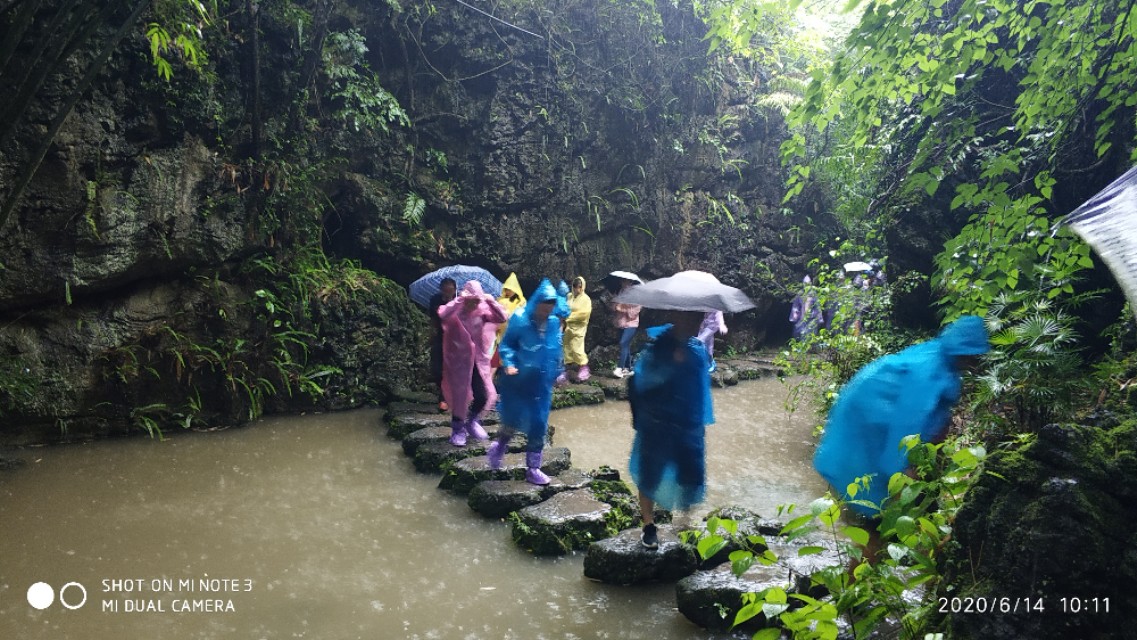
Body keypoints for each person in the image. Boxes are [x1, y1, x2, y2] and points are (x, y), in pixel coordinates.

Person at [812, 315, 989, 566]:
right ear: (963, 351)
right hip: (871, 439)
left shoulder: (940, 359)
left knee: (895, 521)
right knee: (877, 524)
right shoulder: (929, 372)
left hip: (868, 430)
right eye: (973, 356)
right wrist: (901, 473)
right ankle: (857, 596)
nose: (974, 363)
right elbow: (908, 423)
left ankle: (868, 585)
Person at [627, 312, 714, 549]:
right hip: (657, 426)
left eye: (700, 320)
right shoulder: (657, 349)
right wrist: (667, 366)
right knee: (650, 477)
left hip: (688, 427)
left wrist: (700, 426)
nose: (697, 324)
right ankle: (648, 526)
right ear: (680, 318)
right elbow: (641, 381)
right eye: (692, 319)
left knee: (690, 476)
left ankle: (684, 524)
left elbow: (702, 390)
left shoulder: (697, 350)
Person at [488, 279, 564, 485]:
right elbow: (507, 345)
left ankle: (533, 468)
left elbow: (556, 349)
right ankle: (500, 447)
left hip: (541, 384)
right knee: (512, 421)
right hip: (517, 381)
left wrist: (559, 371)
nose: (547, 309)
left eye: (551, 305)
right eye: (544, 304)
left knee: (539, 424)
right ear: (537, 302)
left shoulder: (554, 323)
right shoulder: (520, 319)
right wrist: (510, 363)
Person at [438, 281, 508, 447]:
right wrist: (459, 300)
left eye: (477, 300)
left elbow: (502, 317)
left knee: (482, 395)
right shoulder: (455, 311)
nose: (475, 303)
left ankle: (471, 421)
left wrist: (490, 300)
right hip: (458, 361)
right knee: (459, 397)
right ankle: (457, 429)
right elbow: (442, 314)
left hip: (477, 360)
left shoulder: (482, 312)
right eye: (472, 299)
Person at [428, 278, 457, 411]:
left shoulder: (460, 301)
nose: (447, 294)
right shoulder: (435, 299)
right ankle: (445, 394)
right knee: (437, 369)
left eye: (450, 291)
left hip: (457, 340)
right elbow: (433, 319)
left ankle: (444, 398)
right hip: (440, 337)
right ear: (441, 289)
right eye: (445, 291)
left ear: (455, 290)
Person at [490, 273, 527, 374]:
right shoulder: (500, 300)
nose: (507, 291)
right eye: (506, 289)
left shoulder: (521, 302)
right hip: (500, 332)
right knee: (497, 356)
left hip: (513, 332)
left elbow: (523, 315)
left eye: (509, 289)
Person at [564, 276, 593, 381]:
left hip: (579, 328)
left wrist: (569, 317)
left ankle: (584, 368)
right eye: (575, 287)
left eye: (580, 287)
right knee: (566, 347)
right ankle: (567, 369)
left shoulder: (586, 299)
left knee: (577, 348)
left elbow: (584, 314)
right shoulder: (569, 296)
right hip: (567, 328)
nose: (578, 289)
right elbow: (564, 308)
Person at [610, 280, 641, 378]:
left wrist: (623, 307)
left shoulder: (636, 295)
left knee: (623, 343)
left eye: (626, 281)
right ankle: (628, 368)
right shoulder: (619, 292)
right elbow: (613, 305)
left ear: (631, 282)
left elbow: (634, 312)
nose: (624, 283)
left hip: (631, 324)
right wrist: (616, 307)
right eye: (623, 281)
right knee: (625, 345)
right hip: (620, 323)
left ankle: (620, 368)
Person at [789, 275, 822, 340]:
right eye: (805, 283)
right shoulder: (800, 294)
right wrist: (795, 316)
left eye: (808, 283)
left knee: (811, 334)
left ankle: (811, 348)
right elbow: (796, 306)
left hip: (812, 318)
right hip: (802, 317)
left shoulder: (814, 294)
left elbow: (817, 306)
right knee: (800, 333)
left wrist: (819, 318)